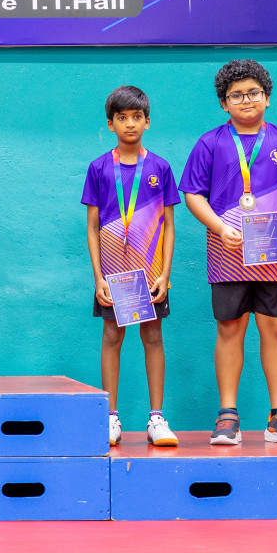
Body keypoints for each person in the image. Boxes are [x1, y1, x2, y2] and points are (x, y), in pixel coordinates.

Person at [181, 59, 277, 446]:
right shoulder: (210, 143)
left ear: (267, 97)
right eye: (236, 95)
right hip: (228, 253)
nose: (246, 100)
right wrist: (219, 227)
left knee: (275, 329)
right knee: (229, 329)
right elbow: (192, 193)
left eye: (253, 93)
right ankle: (228, 415)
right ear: (224, 104)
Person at [80, 85, 179, 447]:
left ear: (147, 122)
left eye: (137, 117)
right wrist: (98, 278)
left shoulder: (160, 168)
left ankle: (156, 419)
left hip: (150, 273)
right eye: (122, 118)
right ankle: (110, 418)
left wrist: (165, 274)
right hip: (113, 275)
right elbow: (92, 227)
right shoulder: (98, 168)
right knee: (112, 337)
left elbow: (169, 226)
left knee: (153, 337)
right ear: (110, 125)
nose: (130, 124)